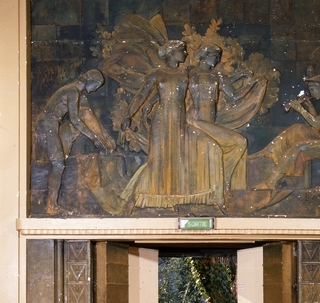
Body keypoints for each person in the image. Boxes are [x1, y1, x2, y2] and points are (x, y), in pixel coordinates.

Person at [120, 40, 222, 212]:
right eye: (181, 50)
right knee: (158, 160)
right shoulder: (156, 73)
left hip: (179, 119)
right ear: (171, 53)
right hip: (162, 119)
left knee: (179, 158)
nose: (185, 53)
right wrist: (128, 115)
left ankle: (171, 199)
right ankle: (132, 199)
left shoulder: (186, 72)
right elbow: (142, 95)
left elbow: (202, 77)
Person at [35, 69, 115, 215]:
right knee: (58, 165)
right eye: (96, 85)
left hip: (53, 126)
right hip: (47, 125)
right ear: (89, 80)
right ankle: (51, 206)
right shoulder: (72, 91)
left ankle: (52, 205)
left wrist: (106, 137)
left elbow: (89, 115)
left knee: (59, 165)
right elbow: (75, 119)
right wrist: (94, 138)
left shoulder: (79, 94)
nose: (95, 90)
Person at [253, 74, 320, 190]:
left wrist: (300, 109)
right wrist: (309, 106)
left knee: (299, 146)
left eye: (312, 89)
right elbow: (319, 125)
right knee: (297, 128)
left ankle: (271, 181)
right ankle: (269, 151)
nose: (311, 93)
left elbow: (317, 124)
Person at [188, 44, 262, 194]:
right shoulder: (189, 73)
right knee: (238, 142)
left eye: (218, 56)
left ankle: (223, 179)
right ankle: (223, 181)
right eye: (214, 56)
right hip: (194, 120)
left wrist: (249, 83)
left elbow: (234, 95)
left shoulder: (217, 76)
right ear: (204, 56)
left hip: (209, 122)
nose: (217, 59)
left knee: (239, 142)